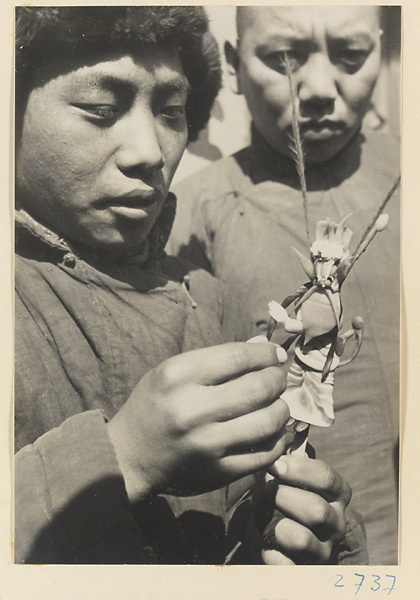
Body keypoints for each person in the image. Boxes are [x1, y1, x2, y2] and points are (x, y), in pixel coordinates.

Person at [14, 6, 366, 566]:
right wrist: (124, 457)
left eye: (172, 112)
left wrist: (301, 537)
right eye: (101, 110)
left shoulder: (209, 300)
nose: (150, 152)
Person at [168, 6, 399, 564]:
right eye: (283, 58)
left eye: (350, 55)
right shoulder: (184, 218)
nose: (319, 87)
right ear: (232, 63)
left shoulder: (403, 179)